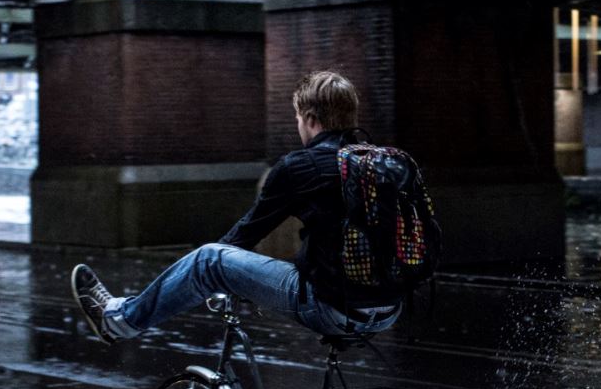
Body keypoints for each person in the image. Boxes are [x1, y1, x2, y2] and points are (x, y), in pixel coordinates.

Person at [70, 70, 403, 344]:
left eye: (299, 119)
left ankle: (120, 321)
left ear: (311, 120)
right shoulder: (383, 163)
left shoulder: (300, 166)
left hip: (332, 307)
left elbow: (246, 234)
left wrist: (220, 276)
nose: (299, 127)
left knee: (208, 260)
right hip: (390, 308)